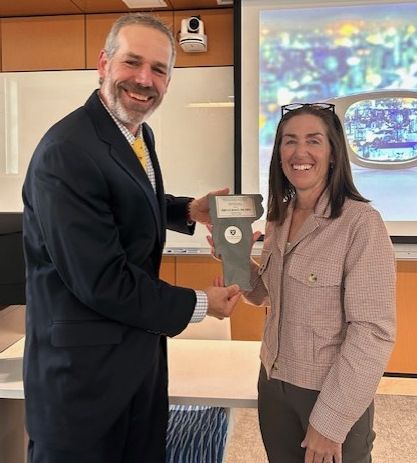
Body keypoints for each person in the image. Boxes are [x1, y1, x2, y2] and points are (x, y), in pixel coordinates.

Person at [22, 13, 241, 463]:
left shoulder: (135, 134)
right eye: (132, 62)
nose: (144, 80)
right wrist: (202, 304)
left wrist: (186, 210)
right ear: (104, 63)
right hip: (82, 385)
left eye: (158, 69)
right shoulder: (67, 151)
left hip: (134, 364)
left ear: (169, 82)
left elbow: (124, 197)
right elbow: (103, 282)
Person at [216, 103, 396, 462]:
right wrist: (233, 258)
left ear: (333, 154)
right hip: (273, 385)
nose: (300, 152)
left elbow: (373, 333)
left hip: (328, 391)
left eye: (313, 141)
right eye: (289, 141)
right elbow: (265, 294)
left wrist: (331, 421)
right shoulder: (279, 218)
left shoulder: (361, 223)